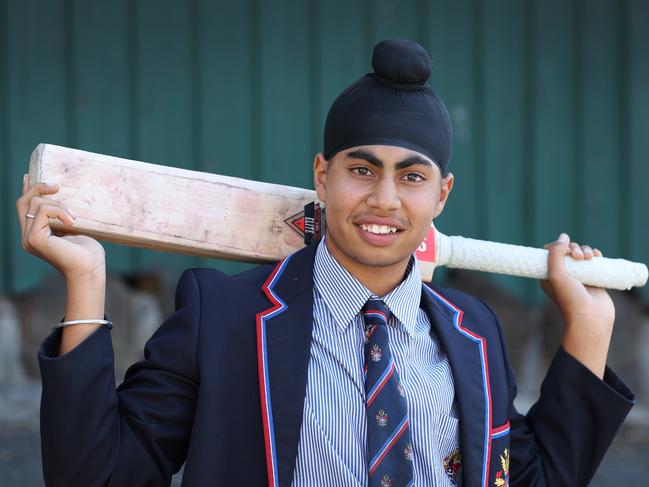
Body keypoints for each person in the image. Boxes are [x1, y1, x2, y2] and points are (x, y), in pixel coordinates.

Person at [17, 39, 634, 487]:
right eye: (361, 170)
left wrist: (590, 328)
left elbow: (530, 480)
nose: (384, 199)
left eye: (411, 177)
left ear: (442, 193)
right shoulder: (226, 318)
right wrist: (86, 281)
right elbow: (96, 477)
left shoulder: (473, 332)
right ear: (322, 174)